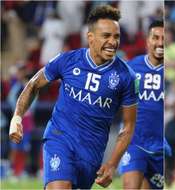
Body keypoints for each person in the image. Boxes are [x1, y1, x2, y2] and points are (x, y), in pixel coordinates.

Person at [9, 5, 138, 189]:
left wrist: (112, 163)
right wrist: (17, 117)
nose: (112, 42)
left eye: (116, 36)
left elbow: (129, 125)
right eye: (106, 36)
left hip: (91, 152)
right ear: (90, 37)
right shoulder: (67, 60)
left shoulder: (127, 76)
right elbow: (34, 84)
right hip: (60, 137)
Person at [119, 20, 164, 189]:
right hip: (134, 141)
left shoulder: (172, 74)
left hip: (161, 148)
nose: (160, 43)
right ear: (147, 40)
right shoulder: (131, 68)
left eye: (164, 39)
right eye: (156, 37)